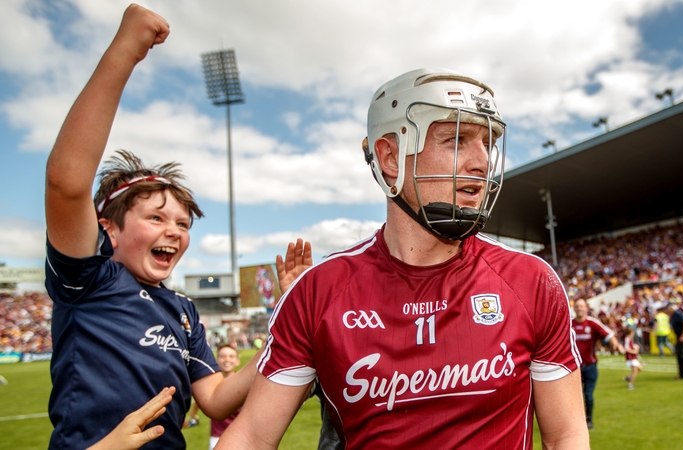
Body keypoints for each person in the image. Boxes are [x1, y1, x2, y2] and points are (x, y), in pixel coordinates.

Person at [217, 69, 589, 448]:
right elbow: (252, 436)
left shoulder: (531, 280)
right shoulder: (317, 291)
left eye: (488, 144)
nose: (482, 162)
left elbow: (565, 435)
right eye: (456, 140)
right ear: (391, 157)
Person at [44, 5, 259, 448]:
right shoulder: (89, 280)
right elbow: (66, 184)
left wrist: (287, 331)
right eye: (156, 218)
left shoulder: (183, 310)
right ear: (108, 229)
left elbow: (217, 399)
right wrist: (127, 50)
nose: (175, 231)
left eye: (182, 223)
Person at [571, 298, 622, 430]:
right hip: (573, 368)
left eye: (581, 306)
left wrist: (615, 345)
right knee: (572, 397)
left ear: (586, 308)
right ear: (574, 308)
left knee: (588, 395)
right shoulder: (569, 324)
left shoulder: (592, 323)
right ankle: (573, 422)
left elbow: (609, 335)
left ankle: (588, 420)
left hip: (590, 367)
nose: (579, 308)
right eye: (577, 306)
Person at [206, 345, 243, 449]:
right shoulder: (211, 383)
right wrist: (191, 415)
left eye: (231, 356)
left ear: (237, 361)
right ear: (216, 360)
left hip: (239, 437)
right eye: (222, 356)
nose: (227, 359)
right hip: (217, 437)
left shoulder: (243, 385)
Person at [622, 325, 643, 389]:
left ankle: (628, 377)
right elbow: (626, 349)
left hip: (633, 357)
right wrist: (634, 351)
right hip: (630, 358)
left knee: (640, 368)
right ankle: (630, 384)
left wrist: (636, 347)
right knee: (635, 371)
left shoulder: (630, 339)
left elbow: (631, 346)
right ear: (630, 333)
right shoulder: (627, 339)